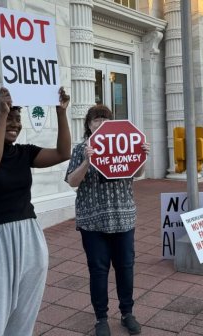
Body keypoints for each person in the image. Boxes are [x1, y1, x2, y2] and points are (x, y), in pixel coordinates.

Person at [0, 87, 71, 335]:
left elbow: (63, 153)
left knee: (24, 314)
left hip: (28, 235)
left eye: (17, 119)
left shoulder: (24, 153)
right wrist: (2, 112)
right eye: (9, 117)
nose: (15, 123)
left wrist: (61, 112)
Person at [65, 105, 150, 336]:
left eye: (105, 118)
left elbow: (138, 172)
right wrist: (87, 162)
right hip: (92, 221)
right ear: (88, 124)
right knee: (98, 270)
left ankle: (127, 313)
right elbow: (72, 181)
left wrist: (143, 155)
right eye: (96, 119)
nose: (100, 122)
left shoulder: (126, 143)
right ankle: (101, 318)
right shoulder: (81, 149)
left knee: (125, 267)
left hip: (123, 217)